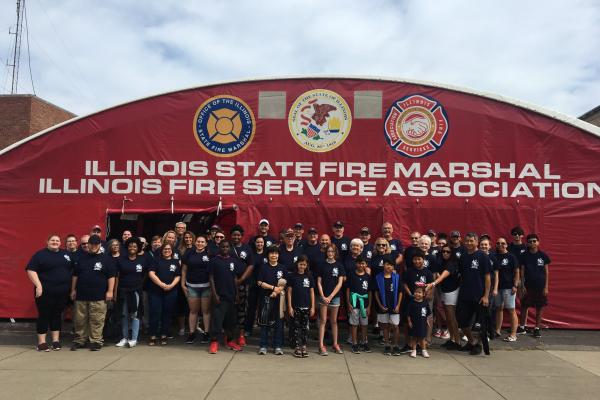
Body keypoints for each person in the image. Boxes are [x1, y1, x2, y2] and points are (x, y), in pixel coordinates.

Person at [26, 234, 73, 351]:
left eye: (57, 240)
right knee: (44, 315)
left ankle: (55, 341)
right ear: (47, 242)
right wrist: (38, 285)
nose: (55, 242)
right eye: (52, 240)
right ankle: (41, 343)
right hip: (44, 292)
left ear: (61, 243)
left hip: (62, 292)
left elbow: (74, 270)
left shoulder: (66, 254)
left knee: (56, 315)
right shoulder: (40, 255)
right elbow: (31, 270)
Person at [70, 234, 116, 351]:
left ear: (100, 245)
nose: (94, 246)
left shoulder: (106, 259)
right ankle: (80, 340)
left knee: (97, 320)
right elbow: (75, 275)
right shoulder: (81, 258)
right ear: (88, 245)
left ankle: (96, 341)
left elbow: (111, 276)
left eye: (96, 244)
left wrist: (110, 291)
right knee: (80, 320)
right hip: (81, 295)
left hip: (99, 296)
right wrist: (73, 289)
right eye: (92, 244)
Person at [456, 233, 491, 355]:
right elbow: (461, 275)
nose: (469, 243)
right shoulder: (464, 256)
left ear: (476, 242)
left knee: (481, 324)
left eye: (471, 241)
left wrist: (486, 295)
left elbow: (487, 277)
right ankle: (472, 342)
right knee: (462, 321)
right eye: (467, 241)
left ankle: (480, 346)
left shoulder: (483, 256)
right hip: (465, 294)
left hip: (480, 296)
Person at [208, 240, 243, 353]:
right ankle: (214, 342)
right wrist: (214, 295)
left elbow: (235, 278)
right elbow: (211, 278)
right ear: (219, 247)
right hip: (219, 296)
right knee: (217, 320)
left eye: (227, 246)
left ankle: (229, 340)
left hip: (231, 295)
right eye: (223, 246)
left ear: (230, 248)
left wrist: (237, 294)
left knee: (231, 321)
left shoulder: (233, 261)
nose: (225, 248)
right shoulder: (214, 261)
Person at [115, 237, 147, 348]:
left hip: (136, 291)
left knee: (135, 315)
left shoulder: (142, 260)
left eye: (135, 246)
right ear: (127, 247)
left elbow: (144, 275)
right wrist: (115, 292)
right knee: (124, 315)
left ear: (138, 248)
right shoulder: (121, 259)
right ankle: (124, 338)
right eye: (130, 246)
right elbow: (117, 277)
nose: (132, 248)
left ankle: (134, 338)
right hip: (123, 290)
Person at [428, 244, 461, 350]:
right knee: (448, 318)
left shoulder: (452, 263)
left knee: (452, 318)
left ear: (452, 253)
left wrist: (432, 284)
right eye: (443, 251)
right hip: (444, 291)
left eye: (448, 252)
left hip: (452, 292)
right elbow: (439, 273)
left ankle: (458, 342)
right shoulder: (442, 262)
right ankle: (451, 339)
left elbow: (442, 276)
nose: (445, 253)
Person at [147, 243, 181, 346]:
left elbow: (178, 276)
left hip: (171, 292)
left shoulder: (175, 262)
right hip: (155, 292)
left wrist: (171, 286)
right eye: (165, 249)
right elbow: (151, 273)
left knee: (167, 314)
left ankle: (163, 335)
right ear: (161, 250)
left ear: (172, 250)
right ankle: (152, 335)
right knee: (154, 314)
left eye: (169, 249)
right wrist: (161, 284)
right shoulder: (156, 260)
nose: (167, 250)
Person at [518, 234, 550, 338]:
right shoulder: (524, 256)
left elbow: (547, 272)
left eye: (534, 241)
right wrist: (522, 285)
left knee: (539, 307)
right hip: (527, 286)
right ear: (527, 243)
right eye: (530, 241)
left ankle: (536, 328)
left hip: (540, 286)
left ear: (538, 242)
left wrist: (546, 287)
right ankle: (522, 327)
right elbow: (522, 272)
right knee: (524, 306)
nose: (532, 243)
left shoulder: (543, 256)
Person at [257, 245, 288, 355]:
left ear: (278, 255)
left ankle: (277, 346)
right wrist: (272, 288)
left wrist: (277, 291)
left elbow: (284, 283)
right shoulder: (263, 267)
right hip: (266, 298)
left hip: (279, 299)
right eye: (271, 253)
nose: (274, 255)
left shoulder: (282, 268)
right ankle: (263, 345)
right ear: (268, 255)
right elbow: (259, 282)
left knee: (279, 323)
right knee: (264, 322)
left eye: (276, 253)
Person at [181, 235, 212, 344]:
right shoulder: (189, 253)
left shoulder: (209, 254)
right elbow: (184, 269)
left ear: (206, 243)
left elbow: (212, 272)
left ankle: (206, 333)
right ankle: (191, 333)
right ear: (195, 243)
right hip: (192, 286)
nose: (200, 243)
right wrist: (182, 284)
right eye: (198, 241)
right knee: (193, 311)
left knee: (206, 311)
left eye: (202, 242)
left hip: (206, 287)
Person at [317, 244, 345, 355]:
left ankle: (335, 344)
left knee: (333, 321)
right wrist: (323, 296)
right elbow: (319, 282)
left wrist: (331, 296)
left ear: (335, 253)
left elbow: (340, 283)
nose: (330, 253)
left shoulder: (339, 265)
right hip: (323, 297)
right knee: (323, 321)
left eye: (332, 251)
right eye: (328, 251)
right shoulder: (322, 265)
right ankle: (321, 345)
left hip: (335, 298)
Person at [228, 225, 254, 345]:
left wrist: (242, 278)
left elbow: (251, 264)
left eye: (238, 235)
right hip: (228, 283)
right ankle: (229, 334)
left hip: (244, 283)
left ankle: (242, 334)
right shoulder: (227, 247)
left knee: (242, 309)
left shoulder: (247, 248)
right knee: (230, 309)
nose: (236, 237)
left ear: (242, 236)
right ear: (231, 235)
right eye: (234, 235)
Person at [287, 255, 315, 358]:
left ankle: (304, 346)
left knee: (305, 328)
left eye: (304, 264)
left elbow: (311, 292)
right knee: (296, 328)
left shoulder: (309, 276)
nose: (302, 266)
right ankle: (297, 347)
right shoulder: (292, 276)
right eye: (300, 264)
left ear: (307, 265)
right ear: (297, 264)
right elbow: (289, 292)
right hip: (295, 307)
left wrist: (312, 307)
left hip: (306, 307)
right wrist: (290, 306)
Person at [374, 256, 402, 356]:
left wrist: (398, 305)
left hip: (394, 306)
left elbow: (400, 292)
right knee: (385, 326)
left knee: (395, 326)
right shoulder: (378, 277)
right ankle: (387, 344)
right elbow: (376, 293)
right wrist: (380, 305)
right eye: (387, 264)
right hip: (383, 306)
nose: (389, 266)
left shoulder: (397, 277)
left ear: (393, 266)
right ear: (383, 265)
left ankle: (395, 345)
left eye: (391, 265)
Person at [494, 237, 520, 342]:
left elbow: (517, 271)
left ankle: (513, 334)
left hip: (509, 288)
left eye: (503, 243)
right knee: (499, 308)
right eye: (498, 243)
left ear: (506, 245)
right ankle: (497, 330)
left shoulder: (511, 257)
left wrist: (515, 285)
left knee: (511, 310)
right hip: (497, 287)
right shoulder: (494, 256)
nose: (501, 245)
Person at [346, 256, 371, 353]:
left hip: (364, 305)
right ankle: (354, 343)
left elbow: (370, 292)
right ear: (356, 264)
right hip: (354, 303)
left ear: (366, 265)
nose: (361, 265)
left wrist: (369, 306)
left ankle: (364, 342)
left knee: (364, 324)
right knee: (354, 324)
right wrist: (349, 303)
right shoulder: (352, 275)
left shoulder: (368, 277)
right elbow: (348, 290)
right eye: (359, 263)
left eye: (363, 263)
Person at [245, 236, 267, 336]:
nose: (259, 244)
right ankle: (248, 329)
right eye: (258, 242)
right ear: (255, 243)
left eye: (261, 242)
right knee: (251, 308)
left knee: (264, 308)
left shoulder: (267, 254)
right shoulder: (251, 254)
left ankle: (264, 330)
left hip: (264, 284)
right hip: (253, 284)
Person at [407, 284, 431, 358]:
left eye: (419, 292)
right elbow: (408, 314)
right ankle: (414, 350)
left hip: (422, 323)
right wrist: (409, 321)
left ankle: (424, 350)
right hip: (414, 323)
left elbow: (427, 313)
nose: (417, 294)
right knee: (414, 337)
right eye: (416, 292)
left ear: (424, 294)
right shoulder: (411, 303)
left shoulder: (425, 303)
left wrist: (427, 320)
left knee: (422, 337)